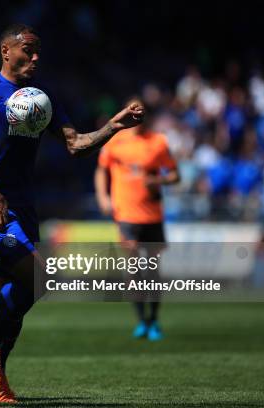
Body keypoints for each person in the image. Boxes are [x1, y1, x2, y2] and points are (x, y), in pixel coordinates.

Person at [0, 23, 145, 403]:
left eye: (39, 50)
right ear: (6, 51)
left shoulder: (42, 97)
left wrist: (113, 127)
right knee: (37, 276)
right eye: (28, 49)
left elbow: (75, 144)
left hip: (22, 207)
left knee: (19, 292)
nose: (36, 56)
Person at [95, 101, 179, 341]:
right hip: (126, 215)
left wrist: (159, 181)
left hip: (153, 214)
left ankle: (154, 320)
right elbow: (102, 170)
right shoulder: (116, 141)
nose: (137, 117)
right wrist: (103, 197)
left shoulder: (158, 142)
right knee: (133, 269)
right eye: (133, 112)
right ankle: (141, 320)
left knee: (152, 270)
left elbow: (175, 174)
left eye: (141, 113)